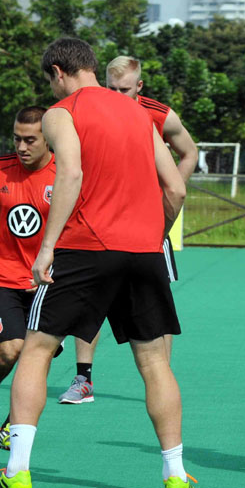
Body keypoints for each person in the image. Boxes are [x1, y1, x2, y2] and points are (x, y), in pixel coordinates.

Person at [0, 37, 194, 488]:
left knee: (37, 350)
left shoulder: (62, 113)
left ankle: (17, 471)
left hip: (85, 248)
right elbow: (176, 189)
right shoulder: (141, 115)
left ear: (59, 72)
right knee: (156, 362)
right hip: (144, 252)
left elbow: (72, 174)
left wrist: (47, 248)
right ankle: (176, 476)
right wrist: (151, 237)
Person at [56, 55, 199, 405]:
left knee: (157, 309)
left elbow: (189, 152)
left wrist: (165, 204)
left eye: (125, 89)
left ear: (140, 86)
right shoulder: (90, 109)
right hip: (99, 221)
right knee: (91, 304)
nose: (117, 94)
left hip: (147, 227)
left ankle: (161, 378)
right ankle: (83, 378)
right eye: (111, 87)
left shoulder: (157, 114)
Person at [0, 106, 59, 449]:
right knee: (8, 352)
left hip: (48, 283)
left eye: (30, 140)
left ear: (48, 139)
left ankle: (13, 423)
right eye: (17, 138)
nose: (21, 146)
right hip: (2, 277)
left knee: (38, 356)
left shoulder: (65, 173)